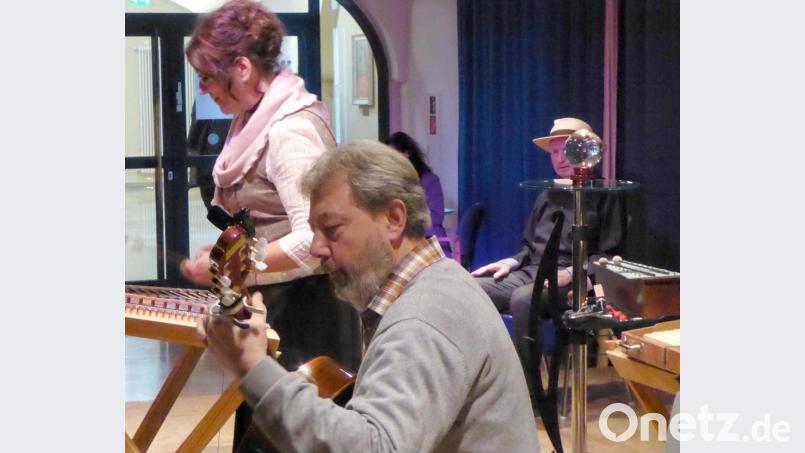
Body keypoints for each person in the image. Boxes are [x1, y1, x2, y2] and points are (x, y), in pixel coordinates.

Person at [197, 140, 541, 453]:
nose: (317, 248)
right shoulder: (438, 284)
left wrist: (252, 366)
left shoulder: (423, 317)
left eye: (331, 229)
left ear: (394, 219)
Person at [179, 1, 360, 450]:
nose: (203, 88)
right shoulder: (253, 120)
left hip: (310, 313)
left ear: (240, 67)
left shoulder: (288, 130)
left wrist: (233, 267)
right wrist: (224, 257)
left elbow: (311, 238)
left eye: (207, 76)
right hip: (283, 308)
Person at [471, 117, 626, 405]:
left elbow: (608, 256)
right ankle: (483, 385)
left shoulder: (606, 195)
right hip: (532, 270)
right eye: (554, 152)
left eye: (565, 150)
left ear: (585, 150)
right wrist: (509, 262)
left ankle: (529, 397)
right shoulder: (547, 193)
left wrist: (571, 272)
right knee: (472, 288)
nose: (560, 159)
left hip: (577, 282)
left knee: (523, 300)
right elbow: (529, 247)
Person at [384, 131, 452, 257]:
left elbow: (436, 216)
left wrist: (405, 225)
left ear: (408, 153)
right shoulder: (389, 181)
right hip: (398, 240)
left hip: (426, 239)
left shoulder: (429, 179)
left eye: (395, 155)